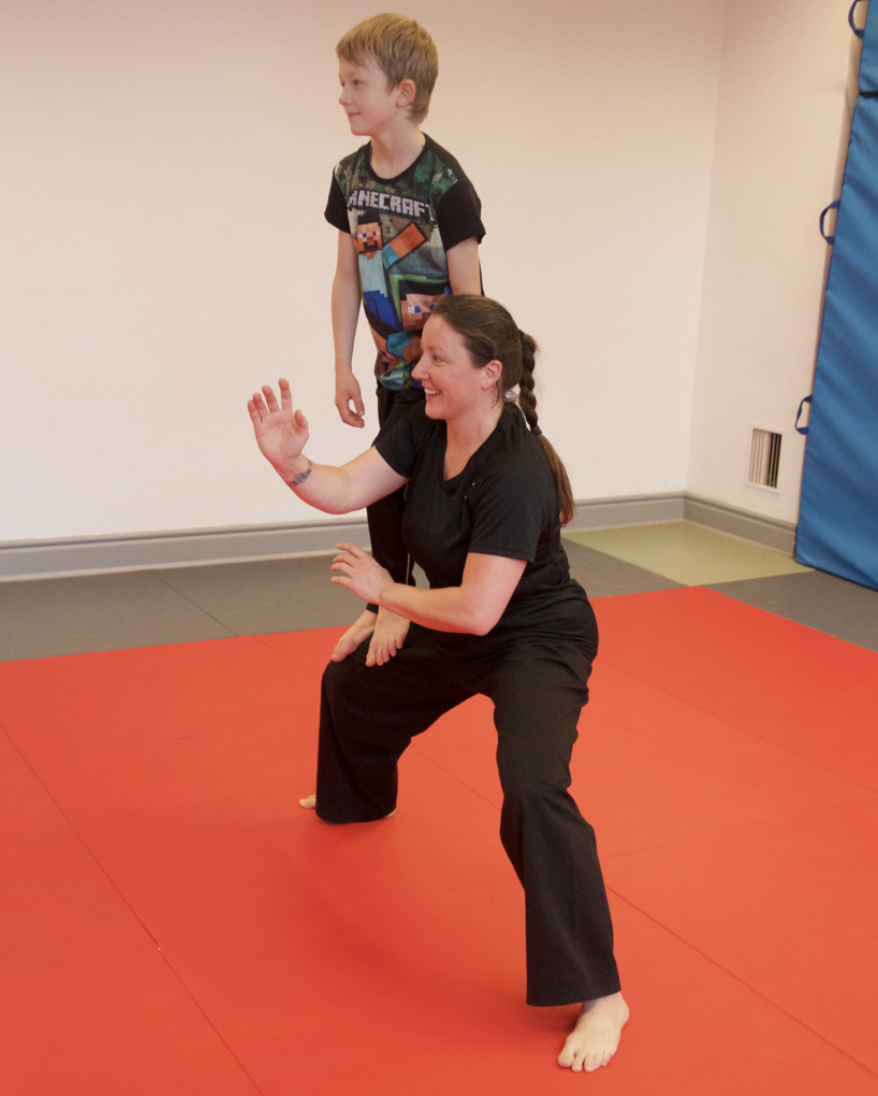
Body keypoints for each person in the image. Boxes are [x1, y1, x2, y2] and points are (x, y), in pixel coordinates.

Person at [247, 294, 629, 1073]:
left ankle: (602, 994)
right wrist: (289, 462)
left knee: (533, 789)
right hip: (459, 621)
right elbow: (344, 489)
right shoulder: (425, 424)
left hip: (534, 637)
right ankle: (360, 796)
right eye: (421, 353)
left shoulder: (516, 472)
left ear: (489, 375)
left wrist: (387, 597)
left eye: (436, 358)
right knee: (354, 682)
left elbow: (482, 611)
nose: (417, 369)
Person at [325, 13, 485, 670]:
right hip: (391, 368)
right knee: (384, 487)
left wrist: (463, 378)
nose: (342, 95)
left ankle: (408, 600)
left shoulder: (445, 184)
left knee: (427, 491)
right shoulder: (349, 176)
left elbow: (472, 300)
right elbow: (346, 277)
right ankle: (383, 598)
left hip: (441, 377)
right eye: (341, 82)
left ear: (403, 92)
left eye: (356, 82)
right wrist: (343, 365)